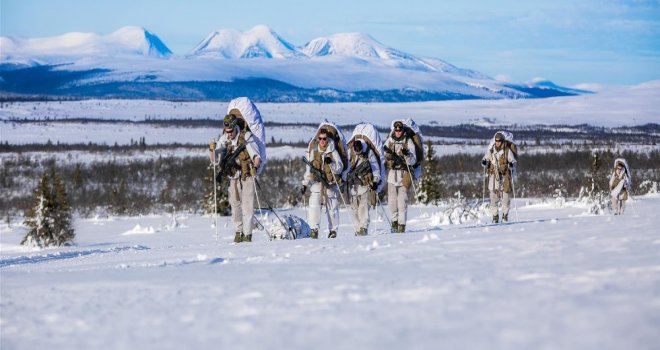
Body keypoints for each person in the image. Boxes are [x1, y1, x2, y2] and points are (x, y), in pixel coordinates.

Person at [210, 114, 262, 243]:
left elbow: (256, 156)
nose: (229, 134)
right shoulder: (225, 139)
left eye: (230, 131)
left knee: (247, 206)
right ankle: (238, 233)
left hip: (247, 174)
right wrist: (212, 151)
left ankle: (247, 234)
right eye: (226, 132)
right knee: (235, 205)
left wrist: (255, 167)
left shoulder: (246, 137)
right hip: (233, 176)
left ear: (235, 127)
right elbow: (216, 160)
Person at [301, 128, 344, 239]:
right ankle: (314, 230)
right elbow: (308, 169)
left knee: (332, 209)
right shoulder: (314, 151)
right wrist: (305, 184)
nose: (322, 141)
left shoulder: (333, 151)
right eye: (320, 138)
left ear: (327, 139)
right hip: (317, 183)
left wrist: (332, 163)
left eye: (324, 138)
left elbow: (339, 168)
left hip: (330, 183)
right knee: (314, 205)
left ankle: (333, 231)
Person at [384, 120, 417, 233]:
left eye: (400, 130)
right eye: (396, 130)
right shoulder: (390, 140)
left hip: (404, 174)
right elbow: (384, 153)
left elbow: (413, 160)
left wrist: (407, 154)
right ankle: (394, 223)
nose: (398, 132)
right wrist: (389, 156)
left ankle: (401, 225)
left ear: (402, 130)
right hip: (392, 174)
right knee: (392, 201)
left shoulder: (408, 141)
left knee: (402, 201)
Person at [347, 139, 381, 236]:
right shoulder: (350, 153)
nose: (358, 153)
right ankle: (358, 229)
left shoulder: (368, 153)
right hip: (353, 187)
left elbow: (375, 169)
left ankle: (363, 228)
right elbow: (346, 167)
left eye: (360, 151)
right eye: (356, 151)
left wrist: (375, 181)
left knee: (363, 207)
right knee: (354, 210)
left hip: (365, 184)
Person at [481, 132, 517, 223]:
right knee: (493, 196)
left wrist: (512, 164)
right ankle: (495, 216)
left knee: (505, 196)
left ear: (502, 141)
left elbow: (513, 160)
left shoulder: (507, 150)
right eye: (496, 141)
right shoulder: (491, 150)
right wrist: (484, 162)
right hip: (494, 175)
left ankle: (505, 215)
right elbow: (485, 158)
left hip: (505, 175)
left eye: (499, 141)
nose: (497, 142)